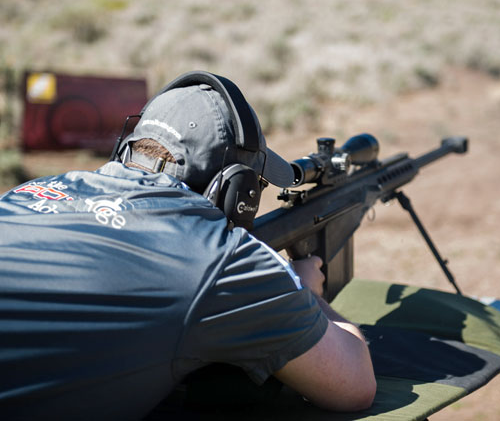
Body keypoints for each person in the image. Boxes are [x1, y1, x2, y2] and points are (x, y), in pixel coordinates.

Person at [0, 71, 376, 420]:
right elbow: (354, 384)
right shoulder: (214, 259)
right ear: (233, 188)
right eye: (257, 185)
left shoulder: (25, 193)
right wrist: (306, 293)